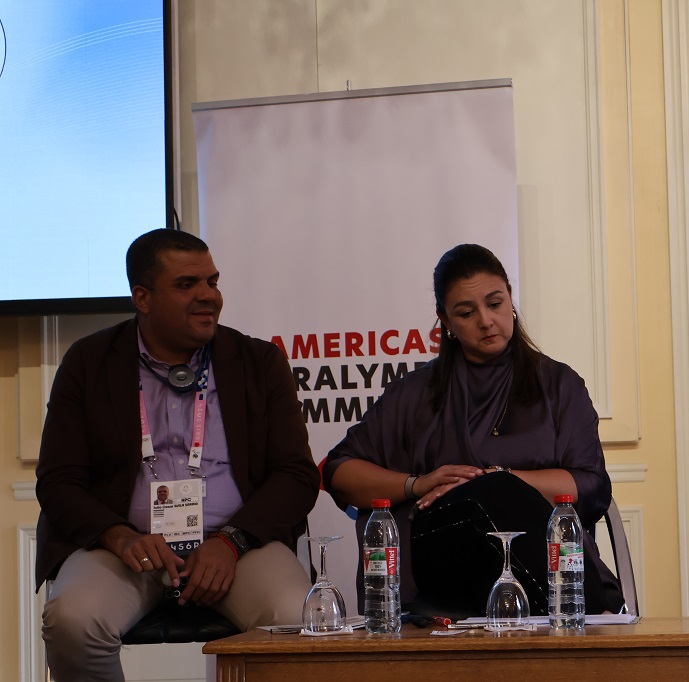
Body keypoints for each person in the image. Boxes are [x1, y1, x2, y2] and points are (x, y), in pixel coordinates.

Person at [36, 228, 320, 681]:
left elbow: (296, 475)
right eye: (187, 285)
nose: (208, 296)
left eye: (212, 281)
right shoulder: (88, 362)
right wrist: (119, 537)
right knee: (73, 620)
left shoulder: (258, 362)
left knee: (292, 612)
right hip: (126, 549)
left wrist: (231, 542)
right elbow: (57, 481)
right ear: (143, 297)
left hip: (235, 546)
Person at [322, 243, 624, 617]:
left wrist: (495, 480)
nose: (485, 320)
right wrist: (419, 484)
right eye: (466, 312)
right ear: (445, 321)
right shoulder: (414, 394)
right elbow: (338, 471)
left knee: (497, 490)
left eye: (495, 304)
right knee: (487, 496)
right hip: (444, 563)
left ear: (510, 298)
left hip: (547, 557)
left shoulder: (560, 385)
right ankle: (599, 615)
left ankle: (585, 616)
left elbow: (592, 487)